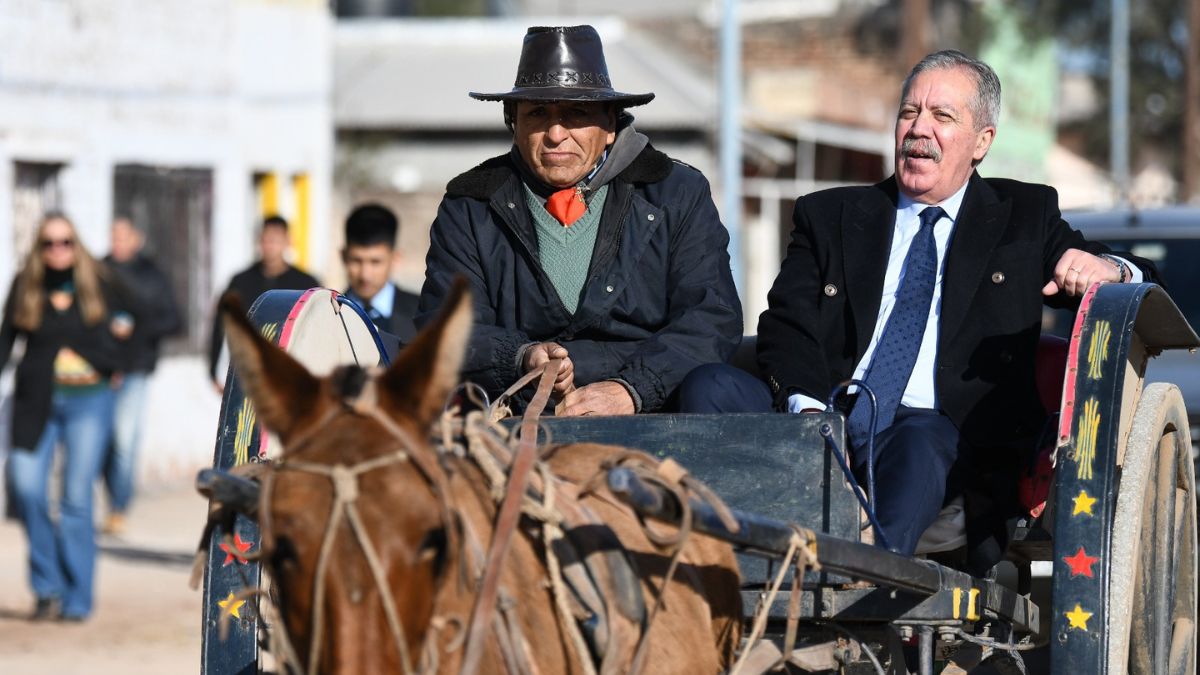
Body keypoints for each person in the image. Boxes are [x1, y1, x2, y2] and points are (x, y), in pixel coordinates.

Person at [679, 50, 1156, 570]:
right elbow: (785, 326)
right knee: (708, 384)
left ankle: (861, 579)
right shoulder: (831, 214)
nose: (918, 129)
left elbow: (1139, 274)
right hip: (821, 420)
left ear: (982, 142)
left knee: (921, 440)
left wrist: (1108, 268)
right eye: (909, 112)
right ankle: (722, 567)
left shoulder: (1023, 215)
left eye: (942, 116)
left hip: (938, 439)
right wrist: (809, 412)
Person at [417, 25, 742, 415]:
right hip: (515, 421)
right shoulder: (470, 205)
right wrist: (520, 357)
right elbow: (444, 331)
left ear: (609, 126)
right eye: (538, 114)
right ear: (513, 124)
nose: (556, 133)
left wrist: (631, 390)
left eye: (576, 113)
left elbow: (710, 318)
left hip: (658, 414)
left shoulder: (676, 192)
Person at [0, 212, 139, 621]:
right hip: (36, 401)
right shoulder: (25, 287)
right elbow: (5, 343)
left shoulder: (101, 282)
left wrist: (121, 363)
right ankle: (47, 585)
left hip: (89, 403)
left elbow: (141, 319)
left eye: (64, 242)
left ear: (75, 244)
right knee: (26, 488)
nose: (57, 250)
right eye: (49, 243)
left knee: (76, 499)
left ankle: (77, 597)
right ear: (39, 249)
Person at [100, 216, 182, 534]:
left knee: (124, 439)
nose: (118, 242)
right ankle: (112, 499)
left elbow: (173, 320)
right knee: (102, 440)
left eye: (124, 236)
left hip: (136, 369)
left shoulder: (152, 275)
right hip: (101, 368)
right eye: (114, 236)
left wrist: (136, 326)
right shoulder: (98, 271)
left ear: (137, 239)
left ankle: (119, 506)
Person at [208, 215, 319, 392]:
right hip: (249, 375)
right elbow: (221, 323)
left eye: (275, 241)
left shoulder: (306, 283)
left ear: (287, 242)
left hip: (293, 376)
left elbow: (319, 329)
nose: (270, 247)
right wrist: (213, 371)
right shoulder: (240, 282)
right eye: (265, 240)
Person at [342, 203, 418, 350]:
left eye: (375, 262)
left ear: (395, 258)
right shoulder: (326, 315)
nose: (365, 275)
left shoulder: (423, 315)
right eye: (356, 261)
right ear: (343, 257)